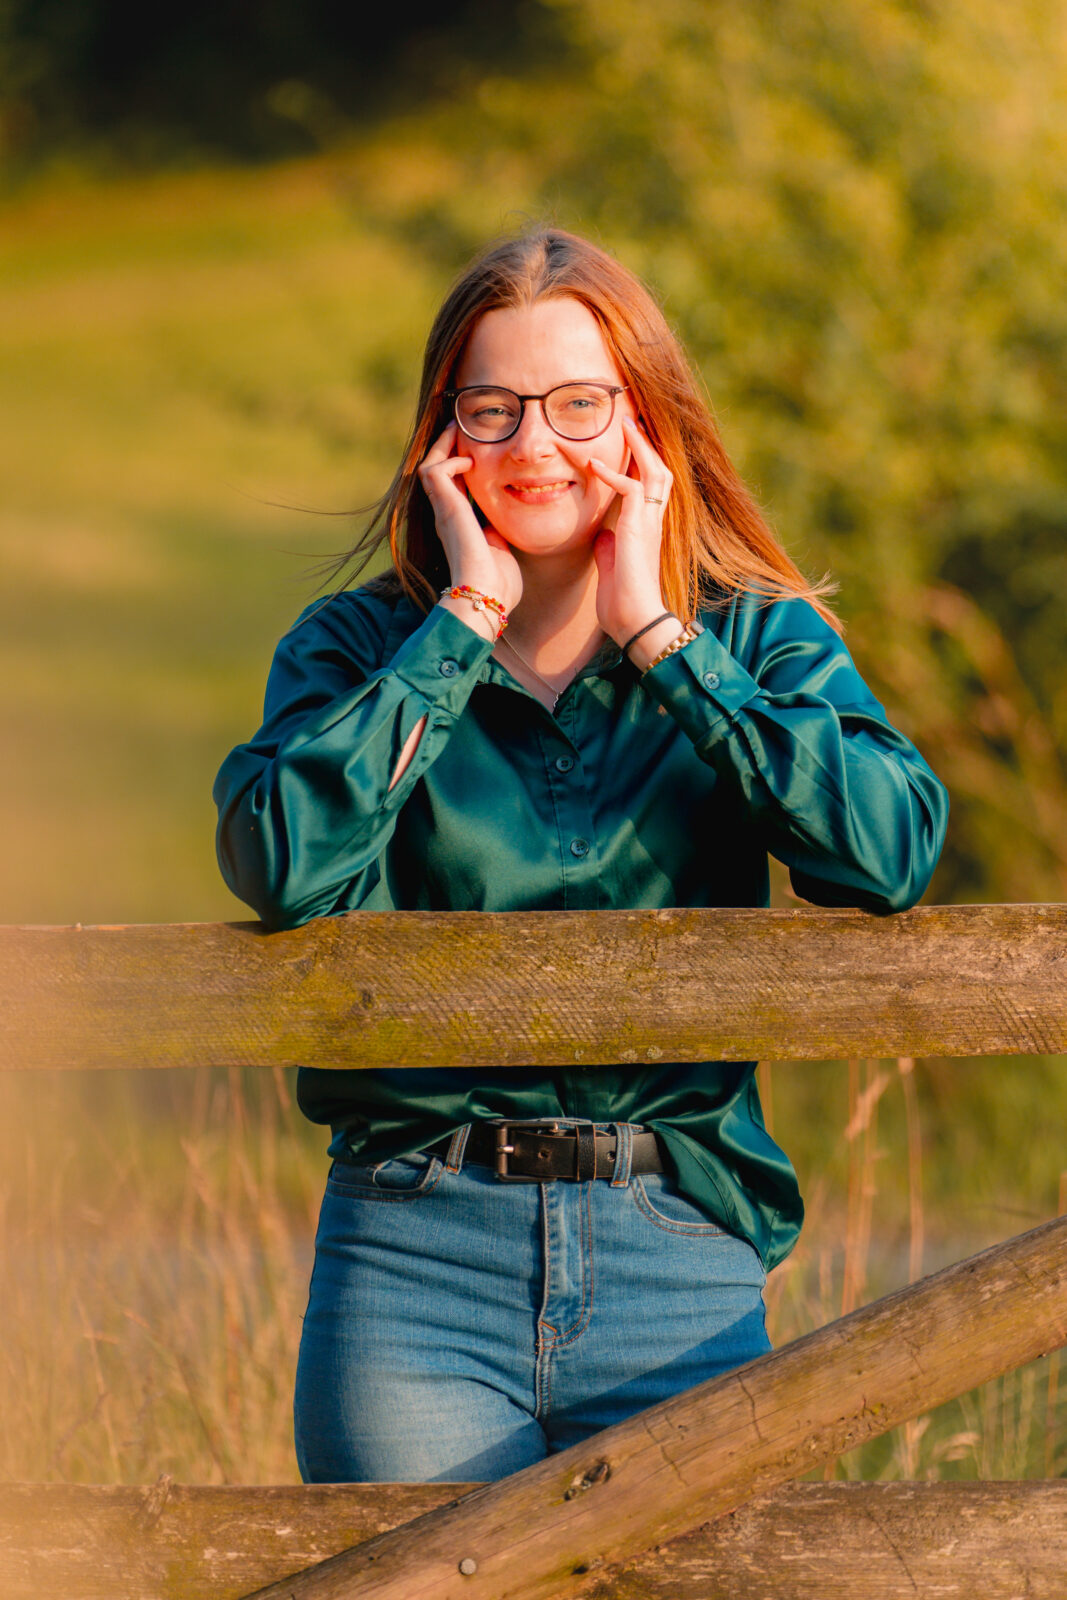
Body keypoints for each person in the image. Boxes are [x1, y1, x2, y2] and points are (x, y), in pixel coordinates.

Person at [213, 227, 949, 1485]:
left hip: (680, 1247)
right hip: (413, 1255)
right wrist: (463, 619)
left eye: (576, 403)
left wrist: (663, 643)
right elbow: (282, 859)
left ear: (643, 422)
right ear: (441, 438)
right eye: (490, 408)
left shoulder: (752, 635)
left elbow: (883, 852)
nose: (534, 445)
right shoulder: (356, 644)